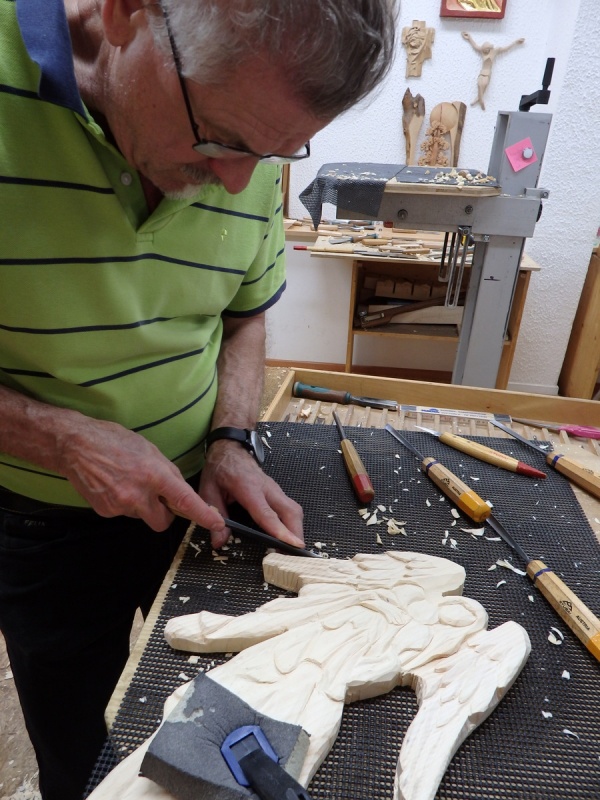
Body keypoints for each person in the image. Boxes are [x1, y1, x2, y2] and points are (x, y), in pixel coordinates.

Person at [0, 1, 398, 798]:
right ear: (126, 14)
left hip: (202, 503)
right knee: (81, 756)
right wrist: (63, 440)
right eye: (220, 137)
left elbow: (245, 315)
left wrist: (231, 440)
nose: (239, 180)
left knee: (230, 727)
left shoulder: (250, 134)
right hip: (41, 522)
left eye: (274, 153)